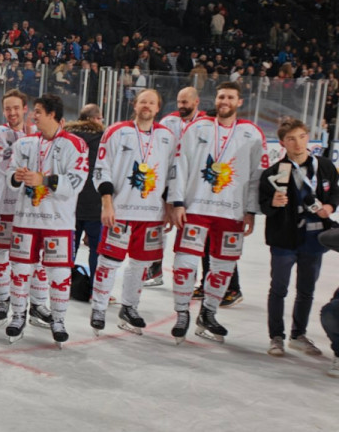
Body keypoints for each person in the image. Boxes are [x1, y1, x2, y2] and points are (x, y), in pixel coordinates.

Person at [168, 82, 267, 344]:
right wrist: (177, 202)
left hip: (232, 211)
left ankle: (208, 313)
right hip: (196, 208)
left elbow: (257, 176)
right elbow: (181, 165)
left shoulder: (252, 132)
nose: (224, 101)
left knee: (223, 268)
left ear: (239, 102)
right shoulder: (198, 127)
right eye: (221, 96)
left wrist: (250, 211)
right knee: (185, 265)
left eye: (230, 97)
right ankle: (181, 314)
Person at [5, 94, 89, 345]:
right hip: (26, 219)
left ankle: (58, 320)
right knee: (20, 270)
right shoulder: (24, 144)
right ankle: (18, 315)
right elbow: (9, 179)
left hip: (57, 222)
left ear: (52, 115)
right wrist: (17, 177)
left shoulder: (76, 144)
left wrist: (45, 180)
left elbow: (77, 182)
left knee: (60, 273)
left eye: (39, 112)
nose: (34, 116)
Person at [89, 90, 175, 335]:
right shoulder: (117, 131)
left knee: (140, 264)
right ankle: (99, 307)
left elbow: (171, 174)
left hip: (151, 214)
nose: (146, 105)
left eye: (151, 102)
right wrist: (107, 203)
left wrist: (169, 207)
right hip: (121, 210)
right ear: (135, 105)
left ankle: (129, 307)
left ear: (157, 107)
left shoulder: (167, 136)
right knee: (109, 262)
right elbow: (101, 169)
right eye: (142, 101)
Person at [259, 118, 338, 357]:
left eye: (302, 136)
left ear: (308, 137)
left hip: (315, 239)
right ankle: (276, 336)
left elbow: (334, 191)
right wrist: (272, 203)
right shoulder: (274, 172)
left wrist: (330, 207)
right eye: (291, 139)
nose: (298, 143)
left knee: (306, 289)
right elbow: (262, 203)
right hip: (284, 238)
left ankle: (298, 334)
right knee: (279, 288)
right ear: (283, 143)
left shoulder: (324, 165)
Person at [0, 90, 43, 325]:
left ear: (25, 109)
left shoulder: (37, 135)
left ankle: (36, 304)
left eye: (16, 108)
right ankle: (3, 300)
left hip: (29, 206)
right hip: (2, 203)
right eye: (8, 108)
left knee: (32, 257)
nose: (12, 113)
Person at [146, 86, 206, 287]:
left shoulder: (206, 123)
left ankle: (192, 276)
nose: (181, 106)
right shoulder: (168, 121)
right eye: (179, 102)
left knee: (191, 231)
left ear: (196, 102)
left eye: (185, 102)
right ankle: (154, 271)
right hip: (165, 182)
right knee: (158, 227)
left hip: (191, 186)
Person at [64, 104, 105, 282]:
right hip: (94, 203)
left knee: (68, 248)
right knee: (97, 249)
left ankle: (63, 284)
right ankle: (97, 288)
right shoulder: (102, 138)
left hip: (70, 201)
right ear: (95, 119)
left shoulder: (67, 136)